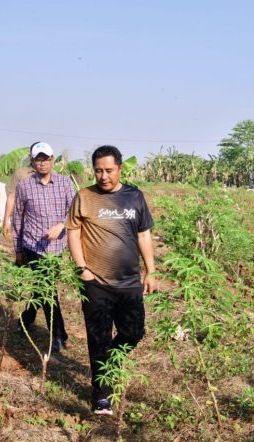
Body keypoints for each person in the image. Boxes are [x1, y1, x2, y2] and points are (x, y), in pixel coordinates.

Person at [66, 145, 156, 416]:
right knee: (98, 337)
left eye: (108, 170)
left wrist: (150, 271)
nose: (103, 176)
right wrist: (82, 268)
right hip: (96, 282)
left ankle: (109, 363)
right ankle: (101, 396)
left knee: (134, 331)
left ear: (120, 168)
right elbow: (73, 232)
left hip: (128, 281)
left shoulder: (134, 196)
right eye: (98, 171)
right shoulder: (85, 196)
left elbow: (143, 235)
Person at [12, 142, 76, 353]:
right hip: (33, 246)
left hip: (56, 247)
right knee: (47, 289)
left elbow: (76, 212)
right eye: (38, 159)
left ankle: (25, 320)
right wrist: (18, 248)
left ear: (53, 159)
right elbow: (18, 218)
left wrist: (61, 225)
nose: (43, 163)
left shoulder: (65, 183)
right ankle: (59, 335)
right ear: (32, 161)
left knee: (42, 289)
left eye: (46, 158)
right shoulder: (25, 185)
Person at [3, 148, 38, 237]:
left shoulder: (53, 175)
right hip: (22, 219)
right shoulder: (20, 173)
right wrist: (6, 220)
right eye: (36, 155)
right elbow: (12, 196)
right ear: (30, 157)